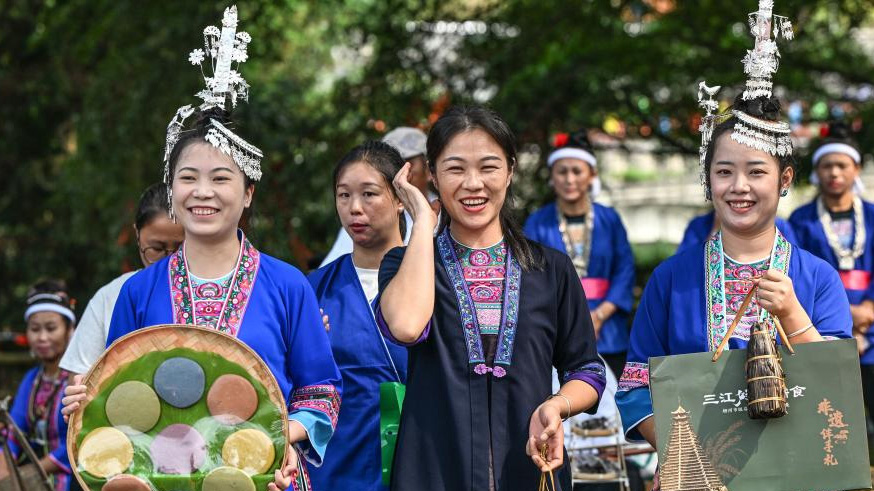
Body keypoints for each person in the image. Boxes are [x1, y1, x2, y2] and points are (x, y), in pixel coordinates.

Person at [61, 8, 340, 490]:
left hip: (266, 479)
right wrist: (87, 400)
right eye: (187, 178)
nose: (203, 191)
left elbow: (322, 393)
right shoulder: (139, 290)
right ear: (171, 192)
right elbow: (122, 398)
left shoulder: (287, 284)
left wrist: (277, 439)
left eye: (221, 178)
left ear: (248, 192)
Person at [615, 18, 854, 446]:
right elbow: (634, 391)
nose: (739, 186)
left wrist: (793, 314)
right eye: (724, 171)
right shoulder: (672, 280)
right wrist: (683, 456)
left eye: (756, 172)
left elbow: (838, 390)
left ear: (784, 180)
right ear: (708, 180)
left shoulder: (817, 279)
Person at [377, 105, 605, 491]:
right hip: (434, 471)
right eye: (454, 169)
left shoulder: (550, 268)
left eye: (488, 166)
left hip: (530, 468)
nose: (472, 183)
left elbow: (587, 371)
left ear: (510, 170)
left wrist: (557, 405)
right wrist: (422, 221)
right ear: (431, 175)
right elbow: (405, 326)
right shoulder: (405, 263)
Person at [307, 141, 408, 491]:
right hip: (336, 467)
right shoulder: (313, 290)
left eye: (369, 194)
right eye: (344, 195)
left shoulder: (433, 280)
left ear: (399, 199)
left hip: (419, 459)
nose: (355, 208)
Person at [524, 129, 635, 378]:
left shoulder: (609, 219)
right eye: (562, 172)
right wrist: (570, 320)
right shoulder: (537, 222)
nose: (569, 179)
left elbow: (625, 269)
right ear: (552, 177)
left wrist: (600, 315)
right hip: (559, 325)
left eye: (577, 171)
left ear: (591, 175)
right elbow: (531, 276)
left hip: (608, 328)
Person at [788, 123, 874, 430]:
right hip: (825, 324)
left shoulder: (873, 215)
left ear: (856, 169)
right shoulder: (801, 220)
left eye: (842, 165)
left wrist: (868, 311)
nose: (834, 173)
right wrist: (845, 313)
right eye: (827, 166)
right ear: (816, 171)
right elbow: (797, 273)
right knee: (835, 418)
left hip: (872, 322)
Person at [59, 183, 183, 375]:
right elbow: (79, 380)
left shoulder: (212, 295)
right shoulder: (110, 297)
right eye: (157, 249)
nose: (167, 262)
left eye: (180, 249)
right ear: (137, 234)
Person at [0, 281, 78, 491]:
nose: (42, 337)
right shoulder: (32, 379)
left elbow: (77, 440)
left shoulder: (78, 381)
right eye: (35, 329)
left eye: (51, 328)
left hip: (74, 480)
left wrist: (35, 469)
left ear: (69, 330)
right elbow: (15, 433)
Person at [319, 127, 433, 267]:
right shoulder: (358, 226)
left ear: (428, 170)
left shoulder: (446, 216)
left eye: (408, 164)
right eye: (344, 195)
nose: (400, 175)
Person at [677, 208, 797, 253]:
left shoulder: (780, 226)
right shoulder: (699, 225)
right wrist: (717, 228)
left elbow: (795, 268)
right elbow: (683, 267)